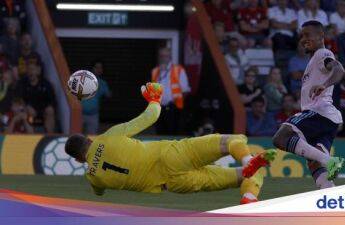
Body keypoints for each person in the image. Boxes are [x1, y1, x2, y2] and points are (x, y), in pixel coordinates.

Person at [64, 82, 276, 205]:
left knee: (241, 177)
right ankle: (248, 160)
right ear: (89, 139)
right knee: (230, 141)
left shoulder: (93, 177)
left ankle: (248, 198)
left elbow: (99, 192)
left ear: (77, 159)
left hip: (174, 184)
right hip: (173, 155)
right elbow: (151, 116)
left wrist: (93, 171)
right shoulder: (109, 136)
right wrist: (154, 98)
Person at [271, 21, 345, 190]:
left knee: (280, 138)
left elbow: (339, 69)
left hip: (319, 113)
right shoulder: (314, 59)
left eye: (307, 35)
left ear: (321, 36)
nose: (303, 39)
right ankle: (332, 200)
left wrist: (324, 85)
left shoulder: (323, 53)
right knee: (314, 164)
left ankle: (331, 161)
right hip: (328, 120)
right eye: (301, 36)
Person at [151, 47, 191, 135]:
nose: (163, 58)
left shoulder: (178, 70)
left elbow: (185, 91)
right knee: (160, 135)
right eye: (161, 56)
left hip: (173, 109)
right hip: (159, 109)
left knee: (172, 135)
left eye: (166, 56)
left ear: (170, 57)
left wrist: (176, 104)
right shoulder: (155, 71)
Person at [16, 63, 55, 133]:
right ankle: (32, 139)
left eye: (32, 69)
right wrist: (26, 107)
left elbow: (52, 102)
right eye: (28, 70)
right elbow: (19, 99)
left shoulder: (45, 84)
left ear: (38, 71)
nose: (30, 72)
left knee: (50, 110)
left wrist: (44, 109)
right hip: (30, 118)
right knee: (26, 114)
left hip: (42, 118)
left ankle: (49, 136)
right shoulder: (23, 84)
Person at [81, 60, 111, 135]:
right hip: (79, 114)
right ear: (92, 68)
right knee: (76, 136)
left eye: (100, 68)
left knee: (91, 137)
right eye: (96, 67)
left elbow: (108, 95)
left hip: (93, 115)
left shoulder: (103, 83)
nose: (98, 69)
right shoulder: (83, 79)